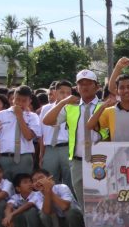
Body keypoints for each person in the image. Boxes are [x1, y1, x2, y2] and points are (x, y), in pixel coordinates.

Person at [42, 69, 104, 202]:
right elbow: (47, 121)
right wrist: (63, 102)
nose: (84, 87)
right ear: (77, 87)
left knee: (100, 202)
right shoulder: (71, 108)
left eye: (89, 83)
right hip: (77, 162)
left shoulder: (104, 106)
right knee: (81, 202)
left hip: (100, 161)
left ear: (97, 86)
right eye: (81, 84)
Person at [0, 86, 42, 183]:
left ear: (29, 101)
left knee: (24, 188)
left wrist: (20, 116)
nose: (20, 103)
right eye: (17, 99)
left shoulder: (32, 116)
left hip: (24, 158)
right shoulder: (2, 114)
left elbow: (28, 137)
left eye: (24, 101)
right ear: (13, 99)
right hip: (5, 158)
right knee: (4, 187)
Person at [89, 74, 129, 142]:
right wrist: (102, 107)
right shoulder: (109, 111)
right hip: (117, 152)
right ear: (117, 91)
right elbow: (90, 126)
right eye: (122, 88)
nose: (126, 90)